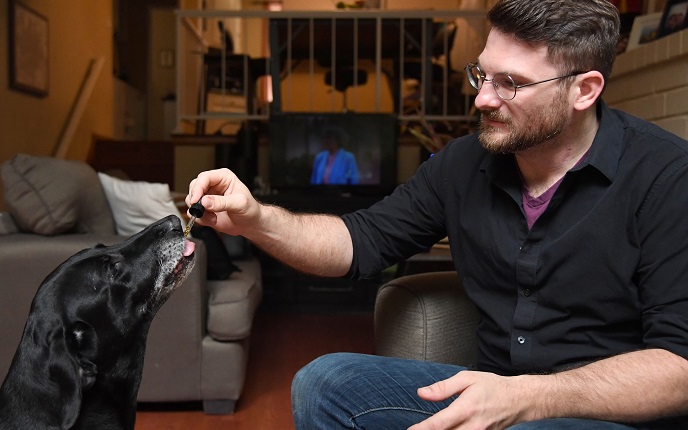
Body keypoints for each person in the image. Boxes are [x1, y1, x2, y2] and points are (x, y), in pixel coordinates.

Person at [186, 0, 688, 428]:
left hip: (603, 413)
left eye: (510, 84)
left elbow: (679, 366)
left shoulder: (666, 177)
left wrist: (529, 397)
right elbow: (357, 242)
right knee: (325, 383)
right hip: (491, 391)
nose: (482, 98)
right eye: (482, 74)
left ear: (584, 90)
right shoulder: (462, 165)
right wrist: (254, 218)